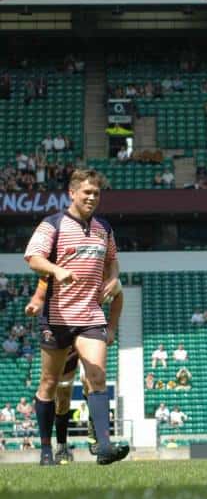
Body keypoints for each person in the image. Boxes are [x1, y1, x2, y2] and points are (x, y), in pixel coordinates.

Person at [23, 168, 128, 465]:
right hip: (57, 318)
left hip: (91, 315)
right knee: (49, 383)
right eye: (87, 192)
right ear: (72, 193)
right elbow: (33, 257)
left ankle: (104, 447)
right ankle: (47, 450)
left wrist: (113, 278)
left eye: (97, 193)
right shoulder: (52, 224)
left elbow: (113, 262)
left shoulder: (104, 228)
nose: (92, 197)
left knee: (97, 376)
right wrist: (56, 270)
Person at [25, 272, 124, 463]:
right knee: (62, 396)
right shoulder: (55, 273)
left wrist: (111, 328)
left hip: (90, 330)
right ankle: (61, 446)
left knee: (93, 380)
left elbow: (118, 292)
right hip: (62, 333)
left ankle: (97, 438)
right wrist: (37, 300)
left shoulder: (96, 272)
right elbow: (40, 279)